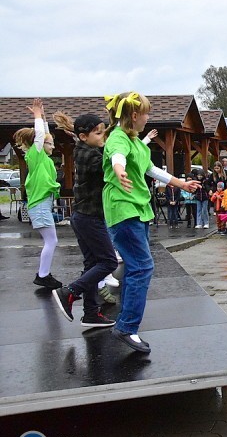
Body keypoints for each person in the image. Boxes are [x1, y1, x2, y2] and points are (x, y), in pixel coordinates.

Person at [102, 92, 200, 353]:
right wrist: (119, 171)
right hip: (125, 211)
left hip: (138, 210)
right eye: (146, 113)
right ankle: (126, 327)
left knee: (134, 267)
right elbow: (117, 157)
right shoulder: (119, 138)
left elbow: (149, 170)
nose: (148, 118)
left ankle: (101, 295)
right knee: (142, 266)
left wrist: (181, 183)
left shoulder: (136, 141)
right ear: (134, 116)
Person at [50, 112, 116, 327]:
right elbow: (109, 165)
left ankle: (90, 313)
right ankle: (70, 292)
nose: (102, 136)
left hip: (83, 217)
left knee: (92, 264)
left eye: (103, 132)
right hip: (90, 218)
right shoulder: (88, 155)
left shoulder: (85, 149)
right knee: (108, 261)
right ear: (83, 136)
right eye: (98, 133)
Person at [14, 99, 62, 289]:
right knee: (51, 240)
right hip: (40, 205)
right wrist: (36, 116)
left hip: (43, 204)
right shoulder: (35, 155)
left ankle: (43, 274)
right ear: (40, 144)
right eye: (50, 144)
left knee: (51, 240)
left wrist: (42, 117)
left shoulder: (45, 160)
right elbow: (42, 136)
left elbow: (45, 134)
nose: (53, 145)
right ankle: (43, 275)